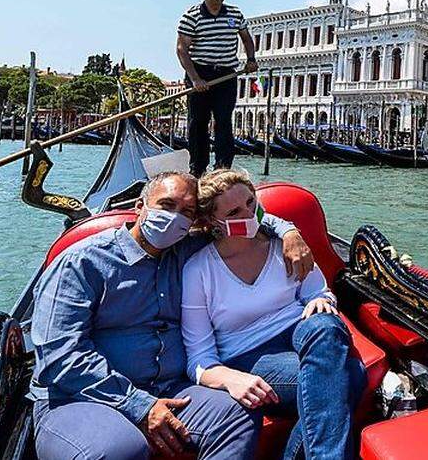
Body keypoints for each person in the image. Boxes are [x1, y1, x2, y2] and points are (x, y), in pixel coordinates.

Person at [29, 171, 315, 459]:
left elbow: (244, 218)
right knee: (120, 448)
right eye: (166, 205)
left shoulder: (188, 250)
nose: (175, 217)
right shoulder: (81, 263)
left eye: (187, 212)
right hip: (79, 398)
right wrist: (138, 404)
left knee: (237, 415)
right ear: (141, 207)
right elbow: (60, 357)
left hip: (170, 388)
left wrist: (289, 231)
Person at [183, 170, 367, 460]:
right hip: (248, 354)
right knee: (351, 376)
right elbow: (199, 357)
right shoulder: (199, 271)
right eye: (234, 211)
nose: (249, 213)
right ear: (213, 223)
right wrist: (230, 379)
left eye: (250, 202)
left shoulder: (286, 246)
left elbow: (318, 292)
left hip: (302, 333)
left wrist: (321, 301)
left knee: (326, 324)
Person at [177, 0, 259, 177]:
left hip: (226, 75)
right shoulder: (191, 16)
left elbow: (247, 39)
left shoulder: (235, 14)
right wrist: (195, 79)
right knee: (198, 122)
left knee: (223, 120)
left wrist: (250, 59)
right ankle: (197, 168)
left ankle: (223, 168)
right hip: (199, 72)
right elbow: (181, 49)